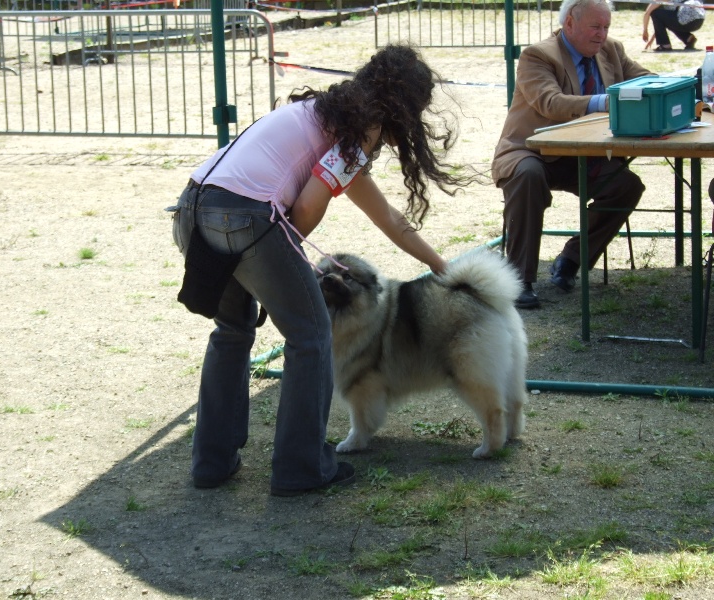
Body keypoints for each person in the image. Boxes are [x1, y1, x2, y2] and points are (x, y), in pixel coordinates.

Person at [169, 44, 468, 497]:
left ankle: (211, 463)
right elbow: (307, 206)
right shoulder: (360, 133)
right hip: (244, 216)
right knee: (311, 336)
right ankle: (300, 469)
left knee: (232, 332)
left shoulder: (323, 118)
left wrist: (440, 267)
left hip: (193, 206)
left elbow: (389, 219)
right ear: (402, 104)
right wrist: (284, 258)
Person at [492, 0, 653, 309]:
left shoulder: (612, 50)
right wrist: (607, 102)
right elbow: (550, 103)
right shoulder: (537, 55)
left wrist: (679, 86)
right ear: (569, 24)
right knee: (527, 175)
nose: (602, 35)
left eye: (606, 27)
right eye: (595, 27)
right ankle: (518, 280)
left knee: (626, 186)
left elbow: (645, 79)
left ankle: (571, 260)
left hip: (583, 153)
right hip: (531, 149)